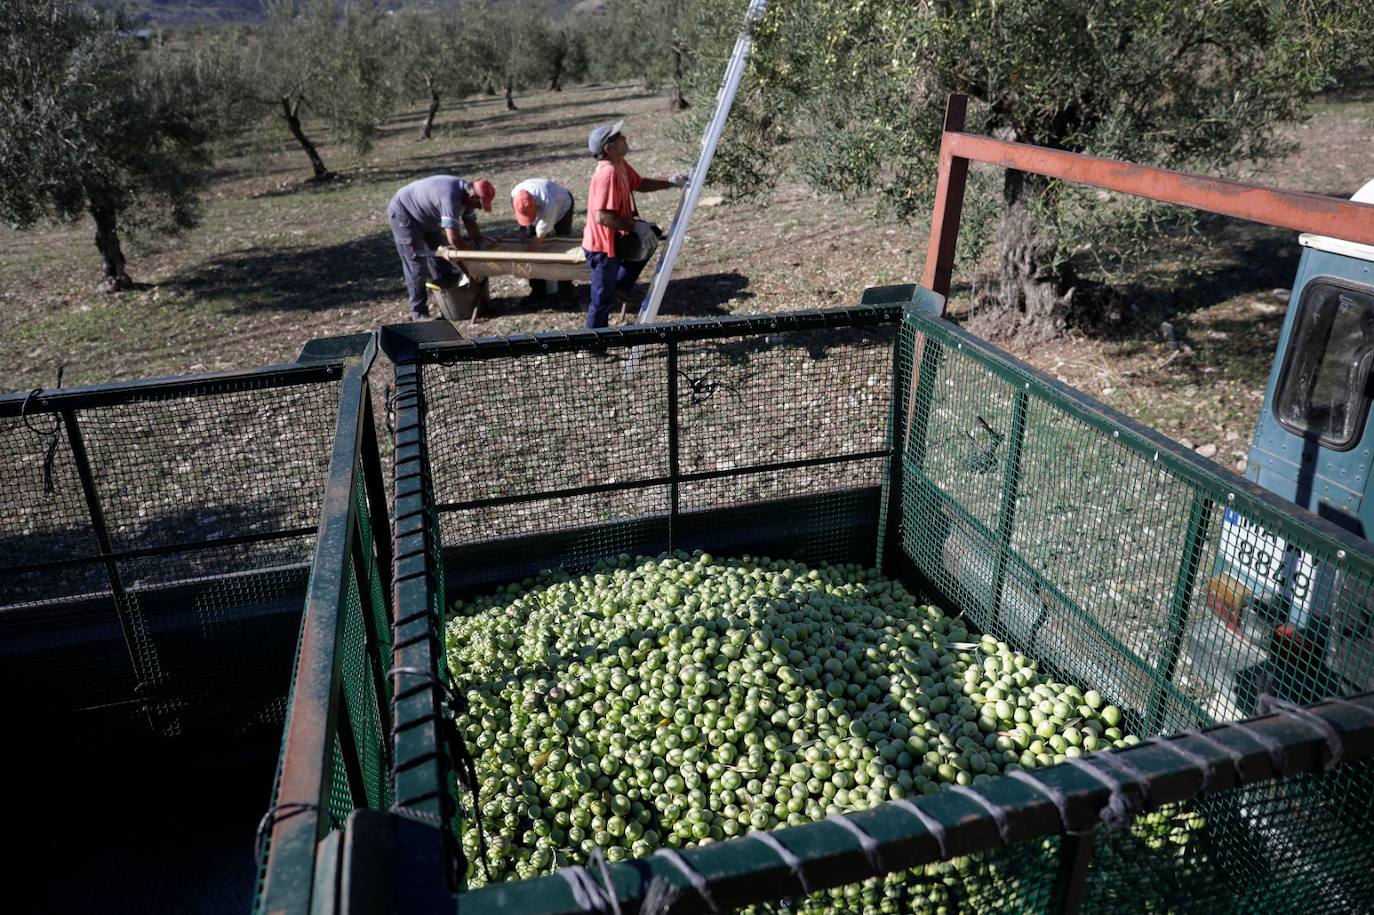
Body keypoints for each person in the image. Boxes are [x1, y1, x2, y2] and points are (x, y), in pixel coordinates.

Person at [581, 120, 688, 329]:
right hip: (601, 248)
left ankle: (620, 286)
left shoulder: (619, 165)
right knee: (601, 300)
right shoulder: (607, 173)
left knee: (652, 235)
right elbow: (601, 217)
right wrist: (636, 226)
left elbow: (640, 184)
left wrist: (671, 182)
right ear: (609, 149)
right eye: (619, 137)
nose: (624, 138)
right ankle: (593, 346)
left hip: (614, 239)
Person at [387, 175, 495, 321]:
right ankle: (418, 312)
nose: (480, 208)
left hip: (427, 216)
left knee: (442, 259)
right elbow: (454, 238)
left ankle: (447, 302)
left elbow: (470, 223)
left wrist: (481, 245)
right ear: (473, 196)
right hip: (404, 214)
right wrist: (470, 261)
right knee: (416, 265)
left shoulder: (466, 196)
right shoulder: (450, 197)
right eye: (480, 204)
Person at [511, 177, 576, 305]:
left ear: (535, 204)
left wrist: (524, 258)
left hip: (563, 206)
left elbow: (540, 238)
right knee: (532, 242)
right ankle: (537, 290)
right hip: (543, 204)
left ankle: (566, 289)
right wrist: (522, 229)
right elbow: (520, 212)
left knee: (562, 247)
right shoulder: (515, 195)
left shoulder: (548, 203)